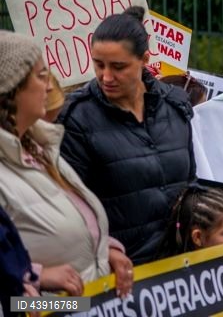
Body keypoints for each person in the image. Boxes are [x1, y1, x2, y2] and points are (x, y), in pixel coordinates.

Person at [58, 6, 196, 265]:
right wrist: (105, 252)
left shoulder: (176, 106)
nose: (106, 76)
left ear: (145, 60)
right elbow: (69, 209)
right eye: (99, 65)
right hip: (118, 279)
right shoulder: (76, 118)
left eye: (118, 67)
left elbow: (192, 189)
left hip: (181, 274)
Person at [0, 31, 133, 297]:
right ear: (12, 91)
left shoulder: (39, 148)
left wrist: (105, 252)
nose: (50, 86)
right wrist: (35, 275)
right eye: (40, 76)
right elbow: (17, 306)